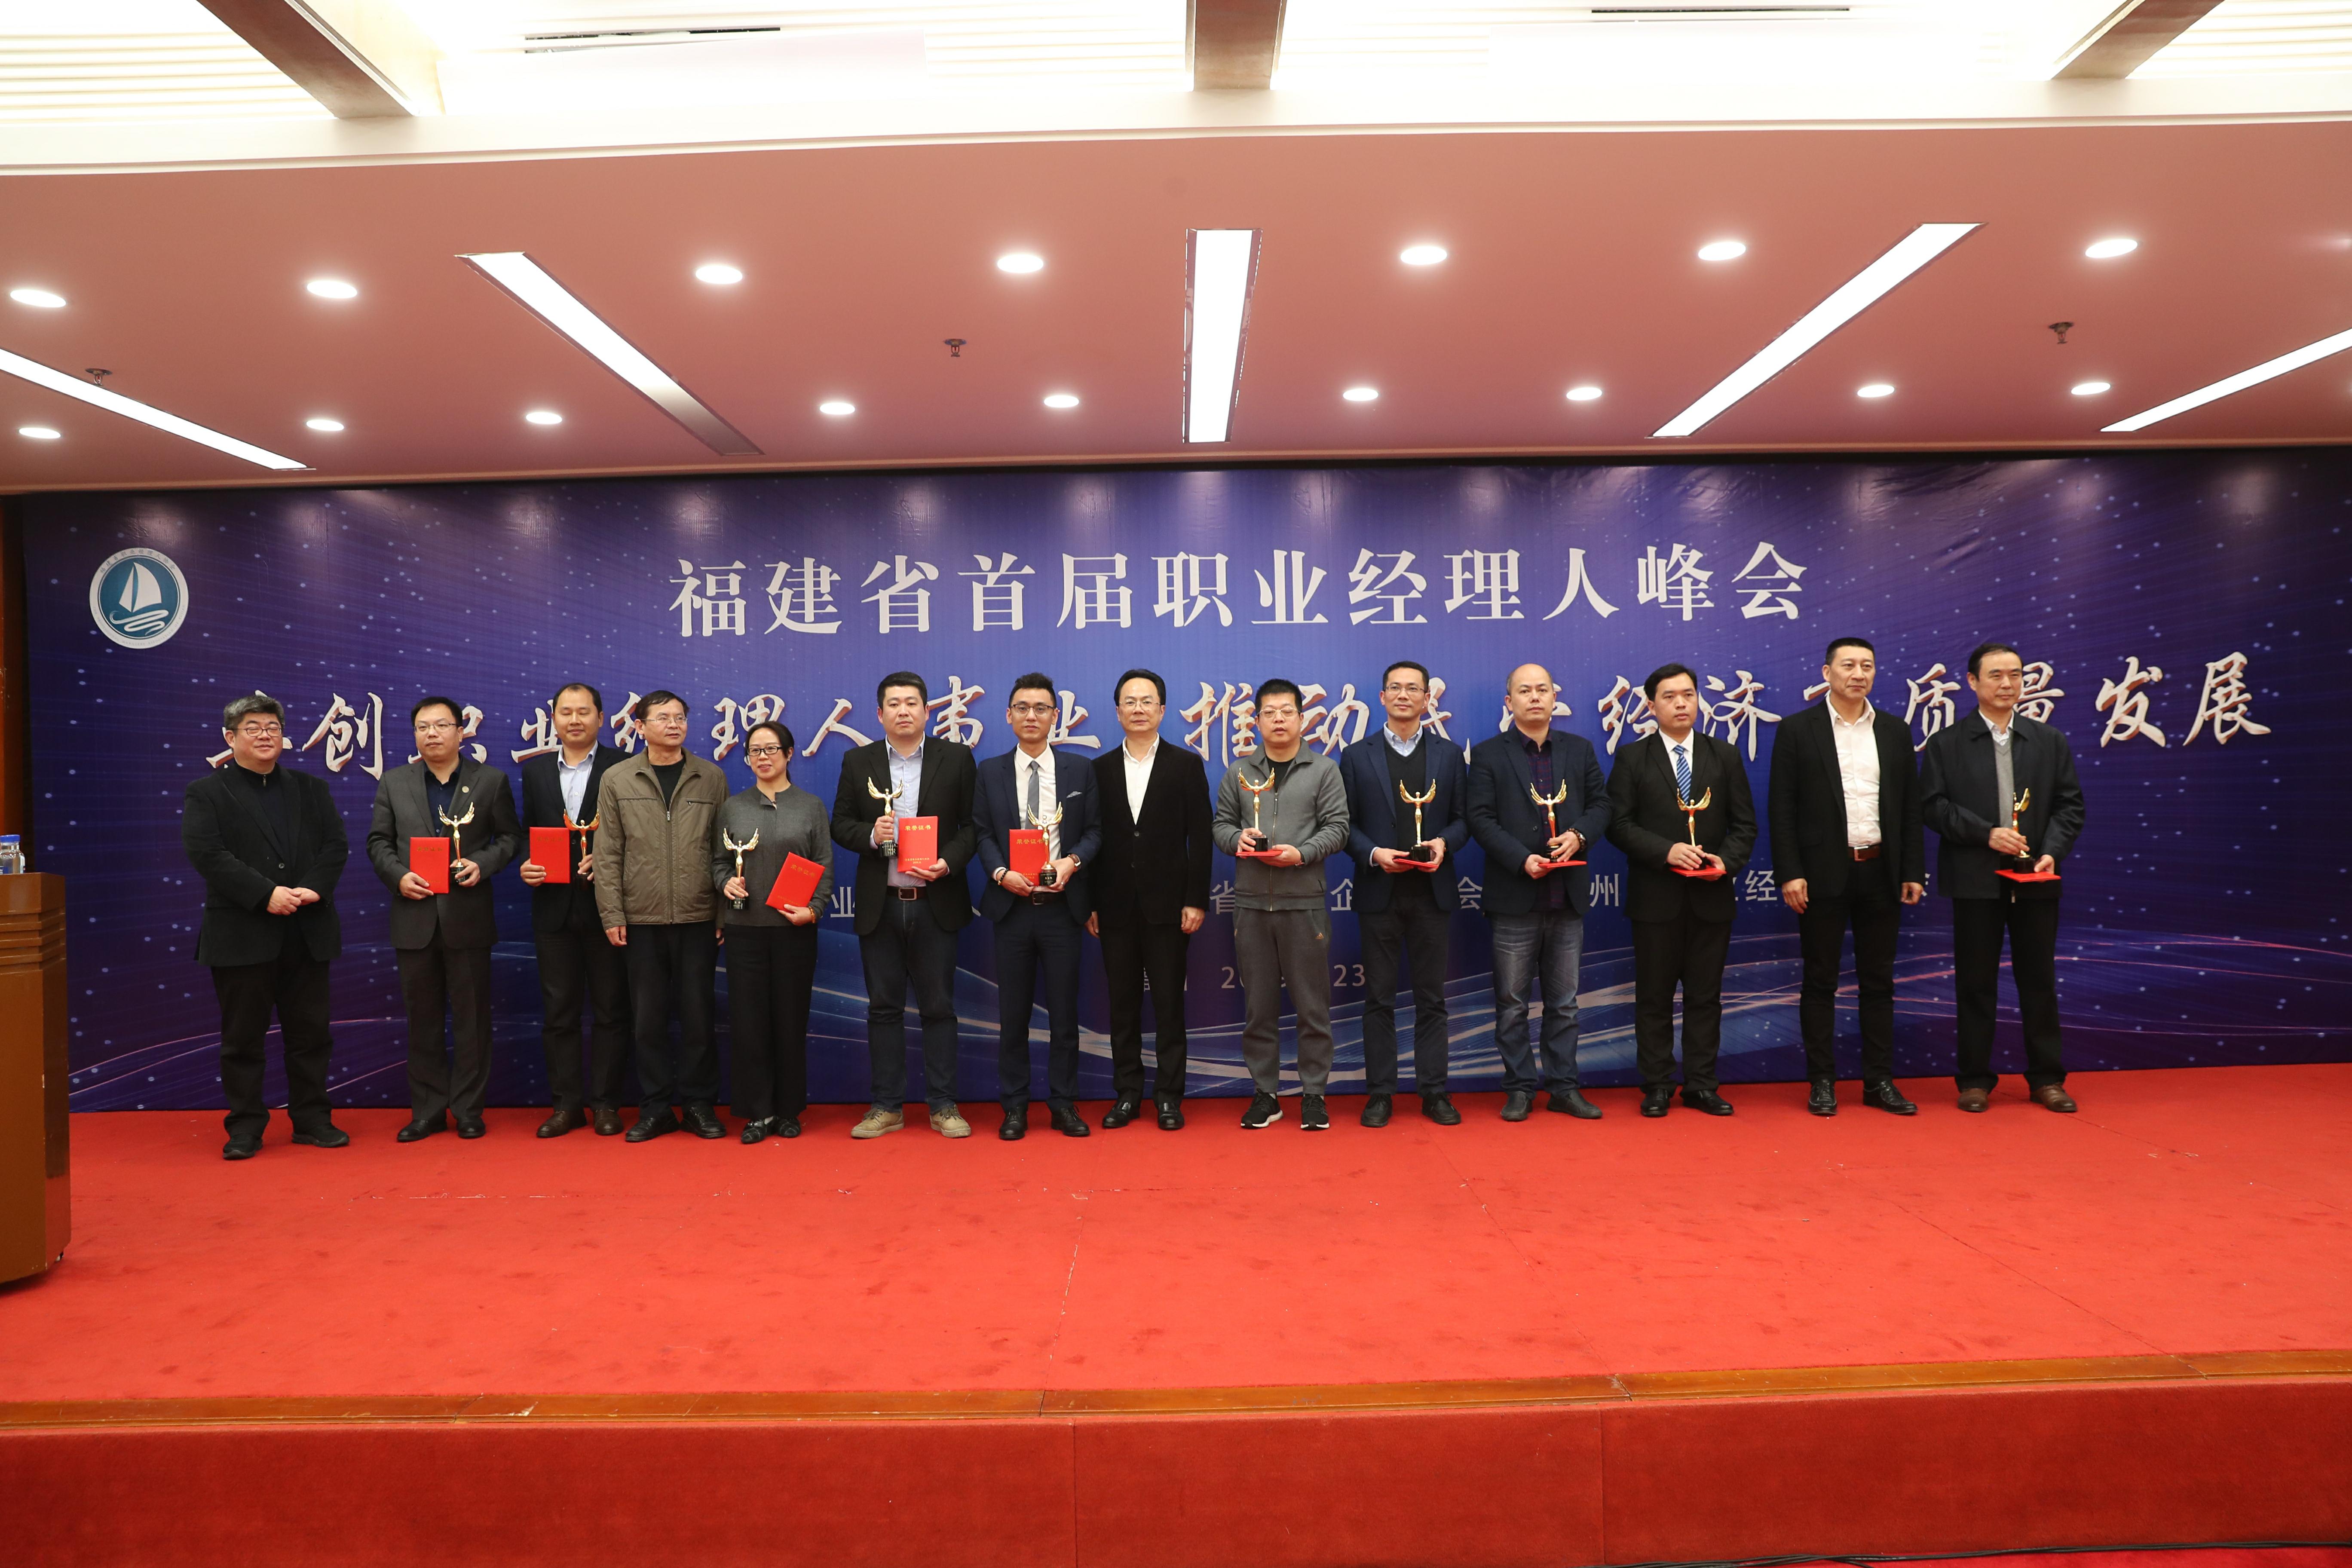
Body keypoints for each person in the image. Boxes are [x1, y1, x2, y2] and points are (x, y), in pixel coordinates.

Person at [181, 694, 349, 1161]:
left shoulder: (311, 789)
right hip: (242, 933)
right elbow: (207, 854)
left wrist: (313, 889)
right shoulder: (207, 792)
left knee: (311, 1036)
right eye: (253, 728)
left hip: (307, 930)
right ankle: (245, 1127)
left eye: (272, 727)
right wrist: (265, 894)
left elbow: (335, 846)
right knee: (243, 1040)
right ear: (230, 737)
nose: (265, 735)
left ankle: (312, 1120)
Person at [1920, 641, 2087, 1113]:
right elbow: (1932, 806)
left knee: (2039, 980)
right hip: (1975, 879)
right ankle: (1975, 1080)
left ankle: (2047, 1079)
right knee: (1975, 983)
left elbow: (2070, 805)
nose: (2008, 684)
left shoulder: (2048, 740)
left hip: (2036, 879)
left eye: (2015, 675)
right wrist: (1985, 834)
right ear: (1973, 682)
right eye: (1995, 675)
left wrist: (2052, 852)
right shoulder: (1947, 743)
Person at [1767, 637, 1926, 1117]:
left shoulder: (1895, 731)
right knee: (1820, 981)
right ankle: (1822, 1081)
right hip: (1822, 875)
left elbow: (1910, 808)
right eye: (1849, 666)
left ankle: (1879, 1081)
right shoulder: (1799, 730)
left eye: (1867, 666)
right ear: (1827, 672)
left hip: (1882, 871)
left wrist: (1911, 868)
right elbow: (1782, 809)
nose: (1859, 674)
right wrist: (1790, 872)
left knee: (1879, 982)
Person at [831, 672, 980, 1139]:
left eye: (912, 703)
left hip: (936, 900)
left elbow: (973, 827)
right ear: (880, 714)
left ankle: (944, 1106)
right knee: (883, 1008)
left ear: (927, 711)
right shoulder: (858, 761)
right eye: (893, 704)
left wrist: (948, 862)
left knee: (939, 1007)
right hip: (883, 903)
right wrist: (872, 835)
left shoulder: (956, 758)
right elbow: (840, 823)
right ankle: (886, 1107)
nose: (903, 711)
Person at [365, 695, 521, 1142]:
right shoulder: (395, 782)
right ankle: (428, 1112)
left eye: (441, 725)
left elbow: (510, 837)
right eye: (422, 727)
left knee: (472, 1021)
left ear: (460, 731)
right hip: (414, 917)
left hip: (467, 918)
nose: (431, 734)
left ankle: (469, 1110)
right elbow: (378, 842)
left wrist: (482, 864)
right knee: (424, 1021)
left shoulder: (490, 781)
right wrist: (399, 877)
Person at [1607, 663, 1757, 1118]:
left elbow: (1745, 825)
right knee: (1654, 997)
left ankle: (1701, 1085)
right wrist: (1667, 851)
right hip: (1656, 898)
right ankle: (1657, 1085)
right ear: (1651, 706)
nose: (1681, 704)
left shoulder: (1723, 755)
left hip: (1711, 897)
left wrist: (1725, 863)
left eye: (1688, 695)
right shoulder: (1633, 758)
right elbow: (1618, 825)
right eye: (1670, 697)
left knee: (1705, 997)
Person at [1466, 663, 1612, 1123]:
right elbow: (1480, 818)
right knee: (1512, 1005)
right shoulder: (1488, 754)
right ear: (1509, 702)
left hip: (1566, 898)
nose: (1534, 697)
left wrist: (1579, 837)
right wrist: (1521, 859)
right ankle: (1519, 1088)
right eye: (1524, 691)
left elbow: (1601, 805)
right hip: (1515, 897)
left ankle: (1565, 1087)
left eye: (1542, 690)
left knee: (1564, 1004)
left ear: (1554, 698)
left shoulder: (1579, 749)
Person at [1212, 679, 1350, 1130]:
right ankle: (1265, 1094)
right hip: (1252, 906)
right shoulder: (1238, 772)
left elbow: (1338, 828)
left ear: (1301, 718)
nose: (1278, 720)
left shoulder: (1324, 770)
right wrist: (1237, 839)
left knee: (1313, 1007)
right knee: (1259, 1009)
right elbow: (1220, 826)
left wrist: (1302, 853)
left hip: (1304, 904)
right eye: (1269, 713)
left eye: (1286, 712)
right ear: (1256, 721)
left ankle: (1314, 1095)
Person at [594, 691, 731, 1142]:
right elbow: (608, 853)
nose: (674, 725)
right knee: (647, 1021)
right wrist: (612, 912)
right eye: (663, 718)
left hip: (698, 917)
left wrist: (722, 912)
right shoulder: (617, 779)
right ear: (639, 726)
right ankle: (655, 1108)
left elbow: (725, 851)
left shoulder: (711, 777)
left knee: (698, 1017)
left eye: (680, 717)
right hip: (640, 919)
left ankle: (698, 1105)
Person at [1339, 659, 1469, 1127]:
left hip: (1432, 892)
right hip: (1380, 891)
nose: (1403, 695)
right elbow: (1344, 825)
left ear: (1427, 698)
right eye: (1395, 687)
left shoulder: (1449, 755)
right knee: (1379, 998)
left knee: (1432, 998)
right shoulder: (1356, 755)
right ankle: (1381, 1094)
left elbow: (1464, 820)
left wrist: (1444, 843)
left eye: (1413, 688)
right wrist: (1375, 854)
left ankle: (1435, 1092)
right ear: (1382, 697)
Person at [976, 674, 1102, 1140]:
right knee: (1013, 1016)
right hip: (1012, 908)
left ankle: (1064, 1104)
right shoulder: (989, 771)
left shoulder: (1079, 770)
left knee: (1065, 1015)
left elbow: (1096, 831)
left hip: (1062, 908)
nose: (1032, 716)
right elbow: (981, 832)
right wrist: (1000, 873)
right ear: (1009, 715)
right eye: (1023, 708)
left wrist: (1073, 861)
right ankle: (1014, 1107)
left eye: (1041, 708)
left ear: (1055, 717)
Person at [1087, 669, 1212, 1131]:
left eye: (1147, 702)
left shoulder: (1186, 765)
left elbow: (1201, 839)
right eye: (1130, 702)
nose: (1138, 709)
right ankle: (1127, 1094)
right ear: (1118, 711)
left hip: (1169, 908)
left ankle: (1169, 1097)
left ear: (1161, 710)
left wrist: (1196, 899)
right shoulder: (1098, 770)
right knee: (1122, 1006)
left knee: (1168, 1006)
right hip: (1114, 907)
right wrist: (1091, 903)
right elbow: (1091, 839)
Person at [517, 682, 634, 1137]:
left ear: (602, 719)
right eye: (566, 712)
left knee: (611, 1010)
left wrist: (609, 860)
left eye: (584, 712)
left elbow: (639, 837)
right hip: (552, 909)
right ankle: (566, 1106)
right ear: (554, 720)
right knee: (559, 1012)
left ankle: (606, 1104)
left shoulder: (623, 768)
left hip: (609, 909)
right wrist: (527, 864)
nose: (575, 720)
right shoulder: (535, 772)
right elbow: (525, 833)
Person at [714, 720, 833, 1143]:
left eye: (771, 749)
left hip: (794, 931)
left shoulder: (811, 806)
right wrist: (724, 883)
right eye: (755, 751)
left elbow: (824, 865)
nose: (762, 757)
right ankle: (758, 1113)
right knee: (749, 1024)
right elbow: (718, 861)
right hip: (744, 930)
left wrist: (814, 911)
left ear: (789, 754)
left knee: (790, 1021)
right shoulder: (733, 807)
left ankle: (788, 1110)